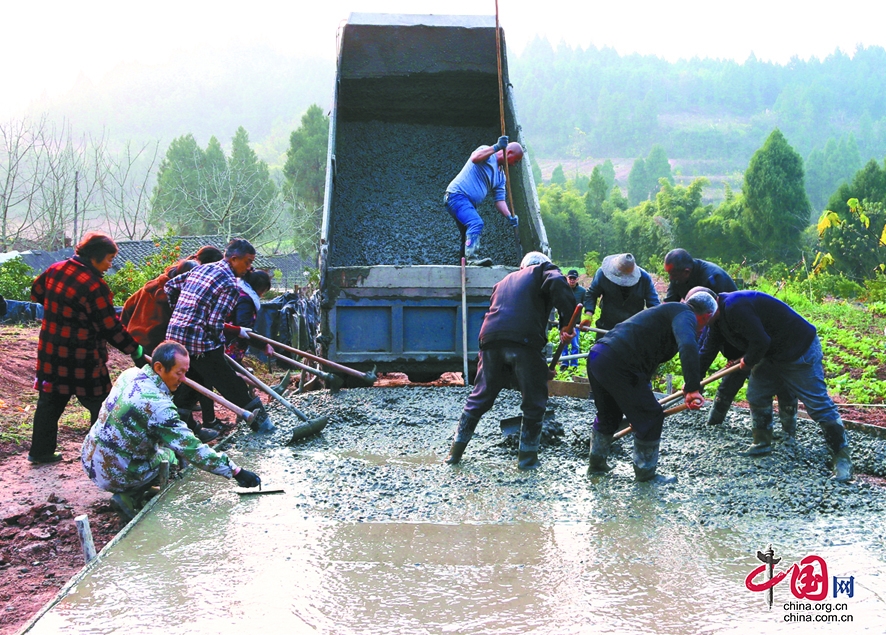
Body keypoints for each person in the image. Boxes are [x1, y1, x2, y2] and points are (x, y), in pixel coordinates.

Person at [81, 341, 261, 520]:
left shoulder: (130, 374)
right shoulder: (158, 406)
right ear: (159, 368)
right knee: (171, 456)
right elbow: (192, 448)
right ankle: (130, 495)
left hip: (90, 456)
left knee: (155, 444)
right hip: (114, 474)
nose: (183, 379)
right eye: (178, 373)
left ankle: (140, 484)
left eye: (185, 372)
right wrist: (236, 471)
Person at [698, 290, 852, 482]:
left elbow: (761, 340)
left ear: (707, 313)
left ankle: (842, 458)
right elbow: (706, 352)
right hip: (771, 354)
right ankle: (762, 442)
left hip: (798, 350)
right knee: (756, 394)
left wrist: (748, 360)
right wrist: (693, 384)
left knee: (818, 404)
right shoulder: (716, 320)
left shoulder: (736, 307)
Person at [445, 251, 576, 470]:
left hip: (490, 338)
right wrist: (567, 322)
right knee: (534, 400)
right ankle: (527, 460)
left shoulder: (502, 282)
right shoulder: (544, 270)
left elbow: (514, 369)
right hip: (523, 339)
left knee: (481, 395)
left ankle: (454, 454)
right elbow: (556, 281)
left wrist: (540, 371)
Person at [28, 232, 143, 465]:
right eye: (109, 259)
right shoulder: (94, 285)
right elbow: (110, 326)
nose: (110, 264)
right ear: (96, 257)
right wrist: (134, 349)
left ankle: (40, 452)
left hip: (51, 350)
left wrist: (60, 312)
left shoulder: (56, 269)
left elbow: (37, 292)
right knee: (100, 404)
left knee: (49, 402)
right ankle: (98, 454)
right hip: (83, 357)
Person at [586, 288, 715, 483]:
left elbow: (646, 362)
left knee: (609, 416)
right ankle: (646, 474)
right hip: (619, 361)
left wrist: (636, 411)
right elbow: (688, 346)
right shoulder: (685, 314)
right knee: (652, 417)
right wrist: (693, 388)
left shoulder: (667, 313)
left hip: (599, 356)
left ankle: (596, 466)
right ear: (706, 317)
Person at [664, 248, 797, 430]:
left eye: (673, 275)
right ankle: (714, 422)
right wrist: (693, 381)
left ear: (686, 271)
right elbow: (705, 345)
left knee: (771, 380)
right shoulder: (678, 277)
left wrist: (746, 358)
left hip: (755, 337)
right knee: (730, 379)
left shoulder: (716, 282)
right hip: (725, 331)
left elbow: (745, 331)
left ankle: (788, 431)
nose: (671, 280)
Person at [165, 238, 273, 432]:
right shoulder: (230, 284)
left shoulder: (201, 268)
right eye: (247, 262)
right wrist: (219, 346)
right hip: (199, 343)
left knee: (192, 382)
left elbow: (170, 286)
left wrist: (180, 314)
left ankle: (177, 429)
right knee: (230, 383)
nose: (250, 268)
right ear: (233, 259)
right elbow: (214, 324)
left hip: (175, 337)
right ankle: (264, 425)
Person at [444, 135, 523, 265]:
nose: (515, 164)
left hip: (468, 203)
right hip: (456, 196)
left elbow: (499, 201)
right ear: (508, 153)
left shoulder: (501, 176)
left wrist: (510, 216)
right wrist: (496, 147)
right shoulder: (487, 153)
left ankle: (462, 264)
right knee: (475, 223)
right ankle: (471, 260)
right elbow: (474, 158)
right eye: (516, 160)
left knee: (467, 234)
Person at [584, 253, 660, 334]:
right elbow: (592, 294)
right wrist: (588, 315)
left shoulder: (644, 278)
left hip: (633, 329)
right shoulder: (602, 274)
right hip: (606, 327)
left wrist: (657, 324)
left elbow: (654, 304)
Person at [225, 270, 272, 363]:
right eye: (263, 291)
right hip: (229, 343)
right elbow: (244, 326)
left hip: (230, 341)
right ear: (260, 289)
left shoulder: (240, 293)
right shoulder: (245, 300)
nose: (262, 295)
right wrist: (264, 345)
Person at [560, 269, 588, 370]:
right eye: (570, 278)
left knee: (575, 345)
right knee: (563, 344)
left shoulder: (582, 291)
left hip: (576, 323)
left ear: (577, 279)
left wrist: (587, 317)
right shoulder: (562, 289)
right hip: (564, 323)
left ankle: (574, 364)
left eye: (574, 278)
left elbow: (586, 304)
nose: (572, 280)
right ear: (567, 278)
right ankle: (564, 363)